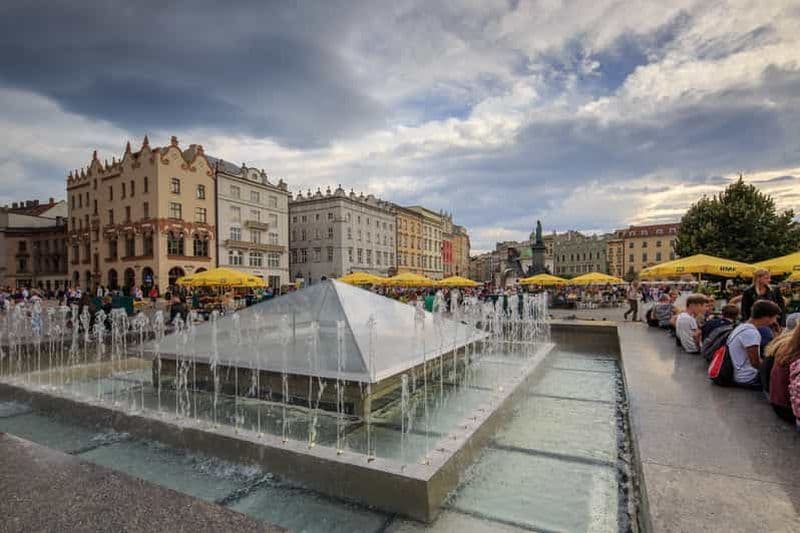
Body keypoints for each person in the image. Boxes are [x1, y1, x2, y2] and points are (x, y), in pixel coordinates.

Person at [727, 299, 782, 389]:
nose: (775, 321)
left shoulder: (742, 327)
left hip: (740, 374)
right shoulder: (751, 333)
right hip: (749, 377)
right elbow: (755, 363)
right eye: (775, 317)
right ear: (766, 318)